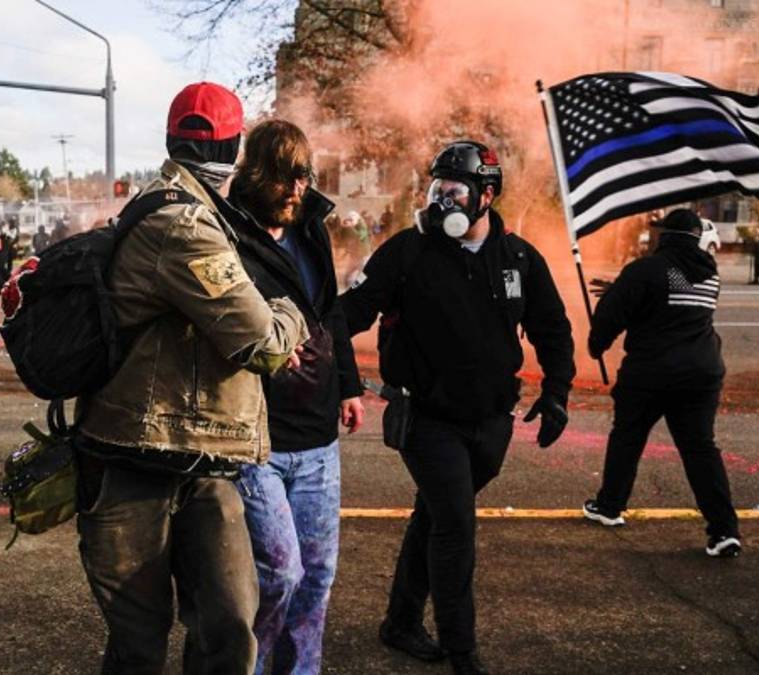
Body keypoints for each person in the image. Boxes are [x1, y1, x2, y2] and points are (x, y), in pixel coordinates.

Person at [73, 81, 309, 675]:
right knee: (143, 649)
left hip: (197, 460)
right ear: (234, 148)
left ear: (170, 138)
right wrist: (291, 311)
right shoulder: (185, 224)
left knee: (228, 629)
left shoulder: (183, 208)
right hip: (138, 461)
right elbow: (261, 342)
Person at [340, 140, 575, 675]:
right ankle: (462, 649)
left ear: (486, 196)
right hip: (426, 419)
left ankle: (400, 622)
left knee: (434, 517)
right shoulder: (407, 252)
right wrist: (342, 379)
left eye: (455, 191)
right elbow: (345, 314)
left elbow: (552, 328)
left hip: (490, 423)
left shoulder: (518, 258)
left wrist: (557, 392)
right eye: (437, 189)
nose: (441, 201)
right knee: (454, 526)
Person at [225, 119, 365, 675]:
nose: (297, 189)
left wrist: (349, 385)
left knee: (317, 577)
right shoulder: (227, 235)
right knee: (278, 573)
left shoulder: (310, 230)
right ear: (258, 174)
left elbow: (329, 312)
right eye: (285, 176)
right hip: (256, 436)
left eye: (303, 176)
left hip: (317, 436)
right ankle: (250, 664)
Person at [583, 208, 741, 558]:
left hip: (651, 373)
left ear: (665, 236)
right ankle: (724, 530)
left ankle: (610, 506)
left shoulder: (647, 269)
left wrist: (597, 344)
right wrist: (624, 289)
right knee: (700, 449)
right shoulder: (709, 274)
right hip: (701, 374)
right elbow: (669, 301)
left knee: (627, 437)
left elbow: (614, 313)